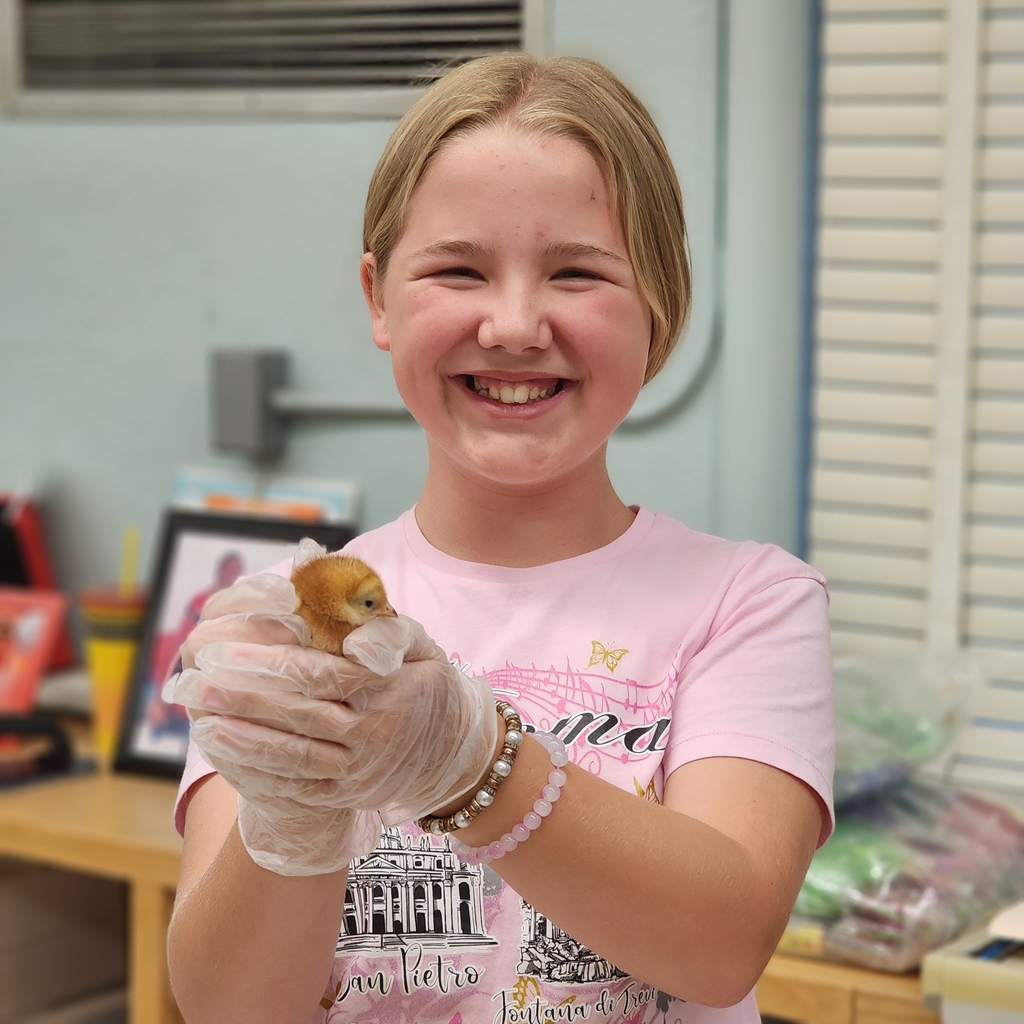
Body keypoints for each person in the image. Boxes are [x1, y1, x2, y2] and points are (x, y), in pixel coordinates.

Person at [166, 53, 834, 1024]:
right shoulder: (286, 621)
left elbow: (718, 946)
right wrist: (293, 811)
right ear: (377, 298)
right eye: (456, 269)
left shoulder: (747, 601)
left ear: (659, 300)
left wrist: (471, 761)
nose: (515, 325)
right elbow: (232, 1009)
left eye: (576, 272)